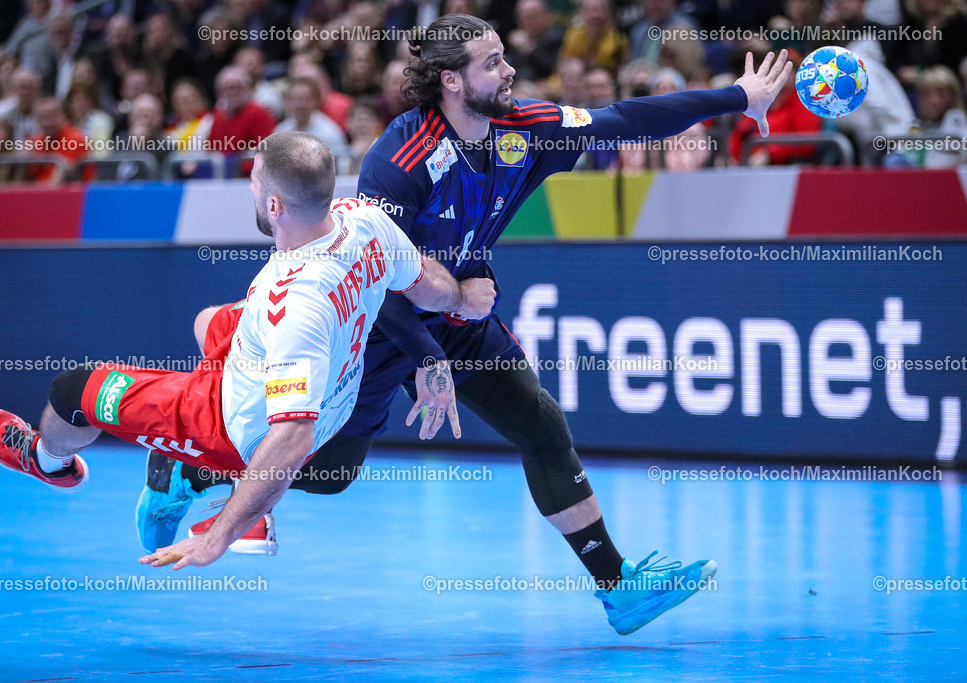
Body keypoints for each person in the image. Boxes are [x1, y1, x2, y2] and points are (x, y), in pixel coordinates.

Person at [139, 13, 791, 636]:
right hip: (377, 325)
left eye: (504, 58)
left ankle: (618, 585)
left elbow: (623, 119)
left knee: (541, 426)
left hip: (459, 314)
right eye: (492, 63)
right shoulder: (402, 157)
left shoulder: (524, 128)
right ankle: (192, 469)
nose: (509, 71)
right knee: (331, 471)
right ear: (452, 80)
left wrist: (739, 97)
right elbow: (372, 274)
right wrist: (427, 357)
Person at [0, 130, 497, 571]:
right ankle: (179, 469)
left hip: (229, 423)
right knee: (207, 322)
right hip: (302, 374)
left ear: (275, 205)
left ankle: (47, 461)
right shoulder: (363, 221)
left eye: (254, 183)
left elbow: (292, 436)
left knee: (72, 390)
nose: (250, 188)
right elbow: (425, 282)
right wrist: (461, 298)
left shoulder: (296, 304)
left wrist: (218, 536)